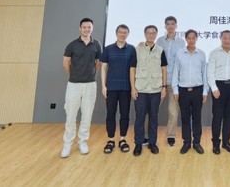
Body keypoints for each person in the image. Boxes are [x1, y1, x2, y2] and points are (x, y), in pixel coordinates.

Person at [60, 18, 102, 158]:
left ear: (92, 28)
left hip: (90, 85)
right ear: (80, 28)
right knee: (70, 116)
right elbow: (65, 63)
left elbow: (98, 63)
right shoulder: (72, 45)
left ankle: (82, 142)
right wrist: (74, 76)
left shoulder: (97, 44)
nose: (86, 29)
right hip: (74, 85)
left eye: (89, 27)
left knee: (87, 115)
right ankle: (67, 144)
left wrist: (90, 73)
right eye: (84, 27)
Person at [131, 25, 168, 156]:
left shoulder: (160, 50)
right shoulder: (137, 49)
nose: (151, 35)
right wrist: (133, 88)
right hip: (140, 89)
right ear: (145, 34)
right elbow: (132, 69)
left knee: (153, 117)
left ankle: (152, 142)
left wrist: (164, 87)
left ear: (156, 35)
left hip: (155, 89)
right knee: (140, 118)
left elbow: (164, 69)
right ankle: (138, 143)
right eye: (149, 33)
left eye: (153, 33)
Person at [100, 24, 137, 154]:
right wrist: (103, 86)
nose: (122, 34)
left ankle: (122, 139)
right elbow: (104, 67)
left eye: (125, 32)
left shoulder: (131, 49)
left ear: (128, 34)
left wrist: (133, 87)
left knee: (124, 114)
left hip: (126, 88)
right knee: (110, 114)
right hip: (111, 87)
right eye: (120, 32)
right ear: (116, 33)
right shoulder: (108, 49)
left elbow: (133, 69)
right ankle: (110, 140)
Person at [207, 30, 230, 155]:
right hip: (219, 87)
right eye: (225, 38)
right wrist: (214, 88)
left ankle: (226, 142)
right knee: (217, 117)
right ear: (220, 38)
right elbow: (210, 71)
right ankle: (215, 144)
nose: (227, 40)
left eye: (229, 38)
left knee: (229, 117)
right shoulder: (214, 53)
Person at [172, 29, 208, 154]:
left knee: (197, 118)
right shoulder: (180, 53)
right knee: (185, 118)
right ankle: (186, 142)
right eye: (189, 38)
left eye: (194, 38)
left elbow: (204, 73)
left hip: (198, 90)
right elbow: (176, 71)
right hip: (183, 91)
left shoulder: (201, 54)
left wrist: (205, 91)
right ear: (186, 39)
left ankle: (197, 142)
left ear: (196, 39)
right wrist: (175, 89)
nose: (191, 40)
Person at [156, 16, 185, 146]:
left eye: (172, 24)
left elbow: (181, 62)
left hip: (174, 82)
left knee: (173, 112)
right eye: (168, 24)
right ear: (165, 26)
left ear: (176, 26)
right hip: (159, 81)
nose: (170, 26)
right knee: (152, 110)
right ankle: (149, 135)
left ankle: (171, 136)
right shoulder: (159, 40)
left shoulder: (181, 42)